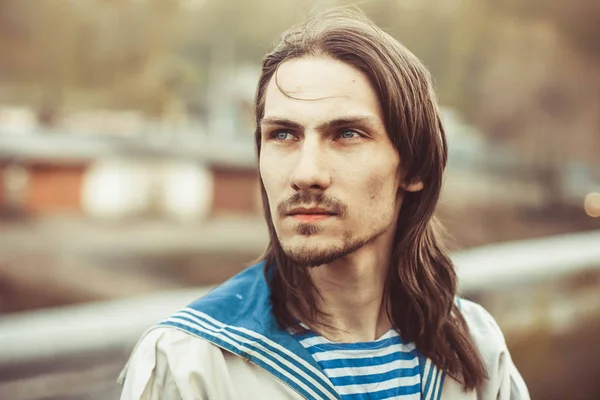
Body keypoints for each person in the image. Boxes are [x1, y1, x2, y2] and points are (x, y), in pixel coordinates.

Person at [119, 7, 530, 400]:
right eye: (283, 135)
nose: (305, 172)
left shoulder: (476, 346)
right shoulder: (190, 362)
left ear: (413, 166)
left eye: (347, 134)